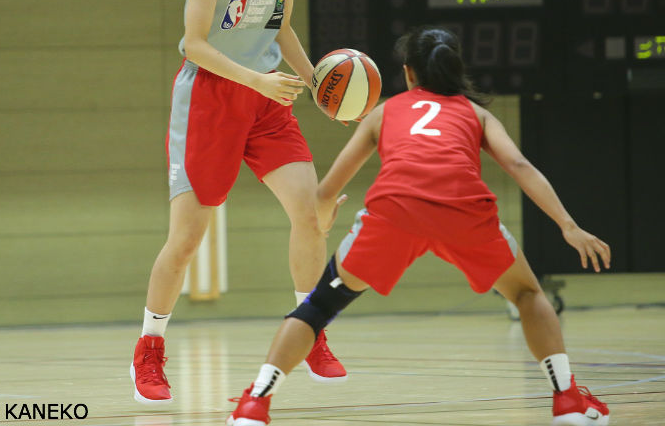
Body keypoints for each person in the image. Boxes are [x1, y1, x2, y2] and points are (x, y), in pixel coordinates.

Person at [228, 26, 612, 426]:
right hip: (464, 210)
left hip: (397, 210)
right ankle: (567, 401)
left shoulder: (385, 112)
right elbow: (518, 165)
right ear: (455, 70)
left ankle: (255, 405)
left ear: (409, 73)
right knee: (528, 294)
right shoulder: (477, 114)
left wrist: (323, 219)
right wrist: (568, 226)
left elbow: (326, 191)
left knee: (319, 305)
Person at [131, 0, 347, 405]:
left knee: (311, 213)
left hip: (267, 99)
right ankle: (150, 348)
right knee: (186, 241)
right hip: (210, 99)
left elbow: (282, 30)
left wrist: (318, 82)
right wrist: (257, 82)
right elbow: (194, 44)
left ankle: (310, 328)